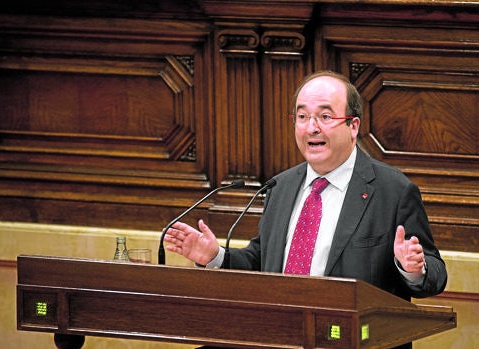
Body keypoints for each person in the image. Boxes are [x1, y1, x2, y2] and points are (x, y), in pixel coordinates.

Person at [164, 70, 448, 349]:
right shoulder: (281, 185)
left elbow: (435, 275)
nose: (312, 127)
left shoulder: (393, 190)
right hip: (279, 338)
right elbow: (262, 261)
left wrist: (412, 269)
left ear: (353, 126)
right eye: (302, 117)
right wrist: (215, 257)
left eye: (325, 117)